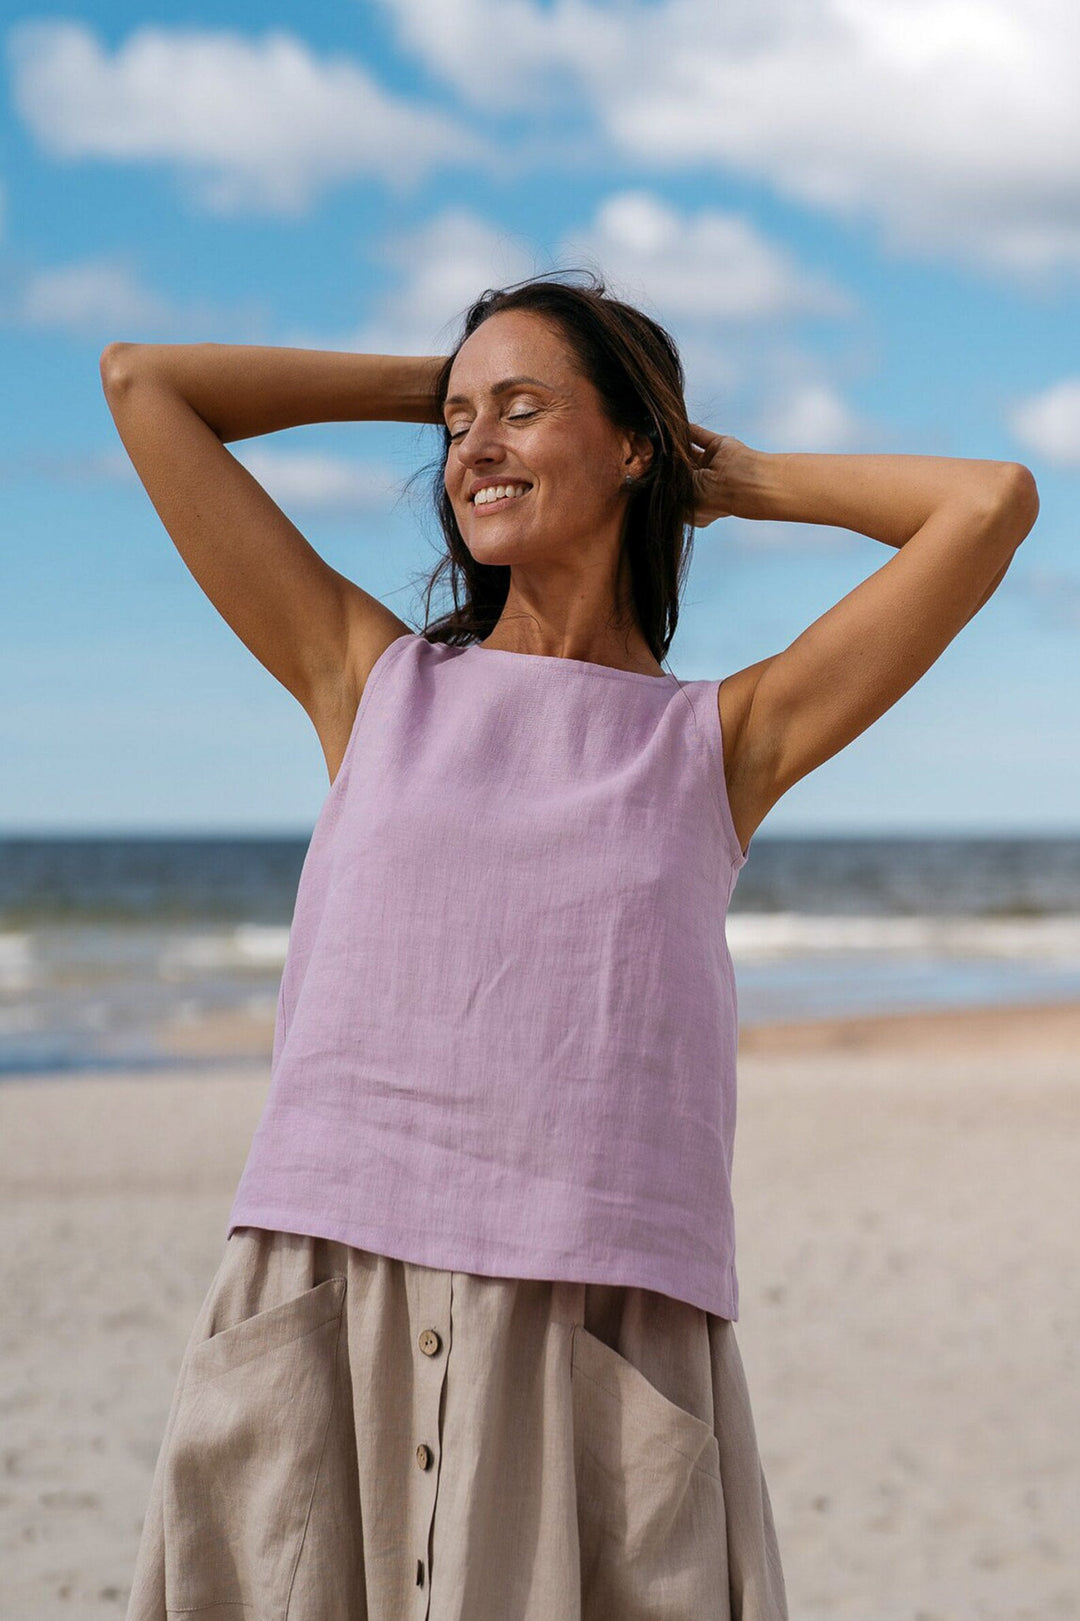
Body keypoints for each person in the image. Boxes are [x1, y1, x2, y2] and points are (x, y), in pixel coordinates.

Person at [101, 273, 1038, 1621]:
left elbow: (990, 504)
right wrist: (433, 391)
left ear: (634, 447)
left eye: (524, 410)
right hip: (326, 1285)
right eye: (457, 424)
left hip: (597, 1321)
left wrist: (734, 474)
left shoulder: (720, 739)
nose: (474, 447)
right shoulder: (370, 681)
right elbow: (146, 387)